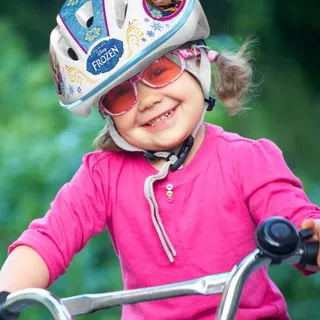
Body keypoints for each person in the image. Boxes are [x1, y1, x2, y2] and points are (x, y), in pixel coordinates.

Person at [0, 0, 319, 319]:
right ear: (106, 114)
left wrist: (310, 234)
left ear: (198, 61)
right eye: (121, 94)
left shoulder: (247, 159)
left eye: (159, 70)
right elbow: (48, 240)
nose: (149, 100)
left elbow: (292, 214)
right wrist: (7, 290)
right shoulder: (101, 177)